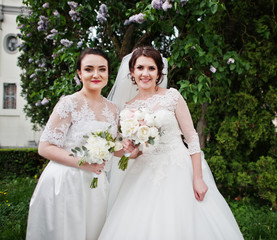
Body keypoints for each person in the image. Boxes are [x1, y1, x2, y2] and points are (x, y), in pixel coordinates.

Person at [99, 46, 244, 239]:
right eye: (140, 68)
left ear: (159, 72)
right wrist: (129, 149)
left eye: (151, 68)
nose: (145, 73)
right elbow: (135, 153)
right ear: (132, 71)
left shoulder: (172, 96)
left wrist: (198, 178)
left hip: (178, 167)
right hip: (142, 173)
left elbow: (191, 138)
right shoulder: (128, 109)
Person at [26, 48, 121, 240]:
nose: (96, 74)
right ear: (79, 73)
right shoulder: (68, 103)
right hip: (66, 181)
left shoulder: (113, 109)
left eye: (102, 69)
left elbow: (114, 145)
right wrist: (82, 162)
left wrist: (133, 147)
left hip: (96, 184)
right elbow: (44, 147)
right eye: (89, 69)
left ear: (108, 73)